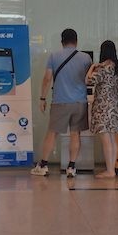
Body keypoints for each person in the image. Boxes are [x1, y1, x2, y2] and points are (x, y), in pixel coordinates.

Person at [31, 28, 92, 178]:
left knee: (52, 134)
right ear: (76, 41)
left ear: (62, 41)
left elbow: (47, 78)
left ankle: (43, 165)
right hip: (80, 102)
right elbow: (89, 79)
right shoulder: (86, 58)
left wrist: (42, 98)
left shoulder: (54, 56)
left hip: (60, 102)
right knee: (75, 134)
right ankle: (71, 167)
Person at [85, 40, 118, 179]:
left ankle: (110, 171)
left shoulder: (102, 68)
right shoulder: (117, 67)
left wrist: (92, 67)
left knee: (106, 140)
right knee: (113, 140)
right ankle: (111, 169)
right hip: (113, 106)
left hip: (102, 107)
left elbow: (88, 81)